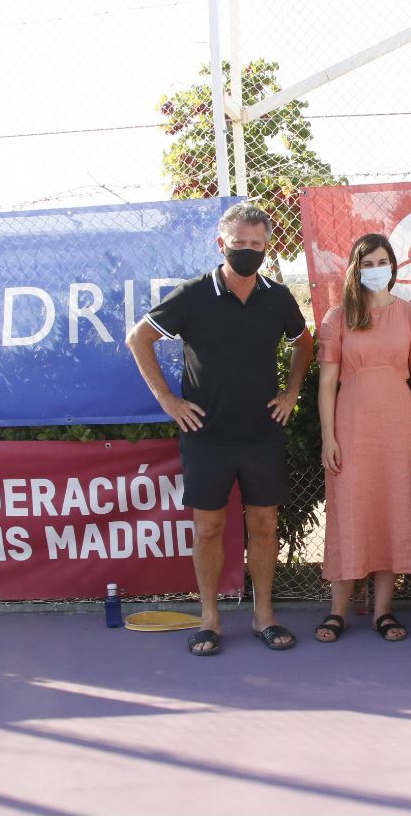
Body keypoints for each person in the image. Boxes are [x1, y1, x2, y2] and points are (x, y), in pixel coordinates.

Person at [124, 202, 312, 656]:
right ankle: (209, 619)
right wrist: (168, 401)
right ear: (221, 244)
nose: (247, 250)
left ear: (267, 247)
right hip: (206, 435)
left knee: (264, 524)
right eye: (239, 242)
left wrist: (291, 393)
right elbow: (139, 338)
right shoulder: (192, 295)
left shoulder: (277, 297)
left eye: (256, 244)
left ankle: (264, 616)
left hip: (262, 433)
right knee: (208, 528)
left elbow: (303, 343)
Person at [314, 233, 411, 644]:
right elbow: (327, 383)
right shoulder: (338, 316)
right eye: (367, 263)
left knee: (392, 510)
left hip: (399, 427)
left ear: (393, 266)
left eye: (382, 261)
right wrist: (328, 437)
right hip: (351, 429)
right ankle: (337, 612)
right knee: (351, 511)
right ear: (355, 269)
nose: (375, 270)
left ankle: (383, 611)